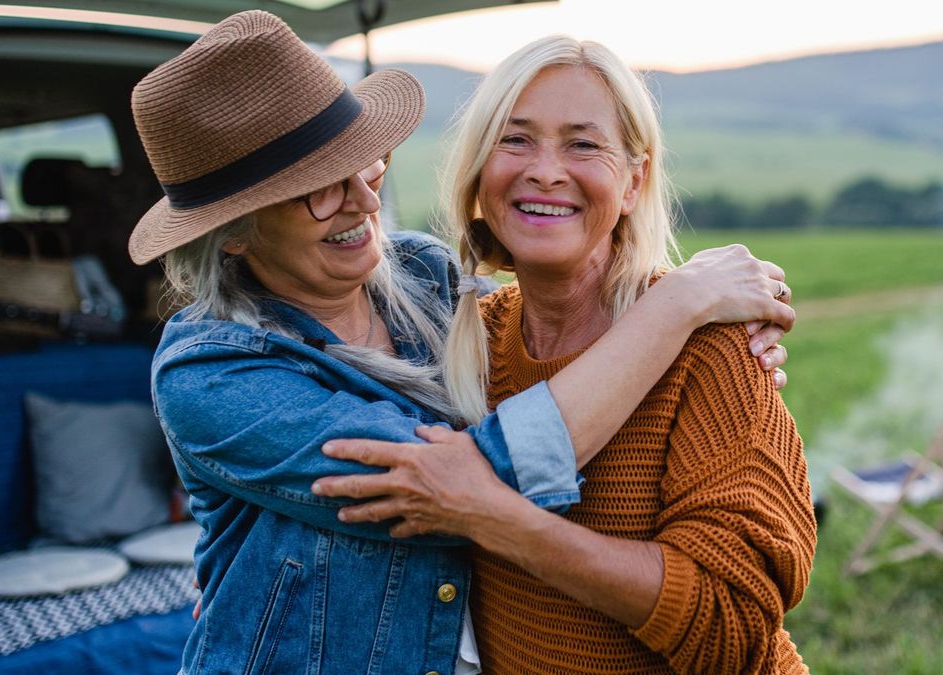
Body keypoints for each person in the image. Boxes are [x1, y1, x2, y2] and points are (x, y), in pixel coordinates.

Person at [128, 12, 795, 675]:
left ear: (636, 178)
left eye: (365, 165)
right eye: (317, 188)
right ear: (233, 232)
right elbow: (463, 485)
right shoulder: (211, 374)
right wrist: (677, 306)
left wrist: (709, 314)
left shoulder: (428, 278)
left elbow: (732, 623)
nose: (363, 201)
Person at [315, 36, 817, 674]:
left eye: (583, 143)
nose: (546, 170)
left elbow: (733, 624)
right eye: (515, 139)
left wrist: (503, 522)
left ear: (634, 182)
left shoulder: (708, 341)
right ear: (477, 173)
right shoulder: (467, 339)